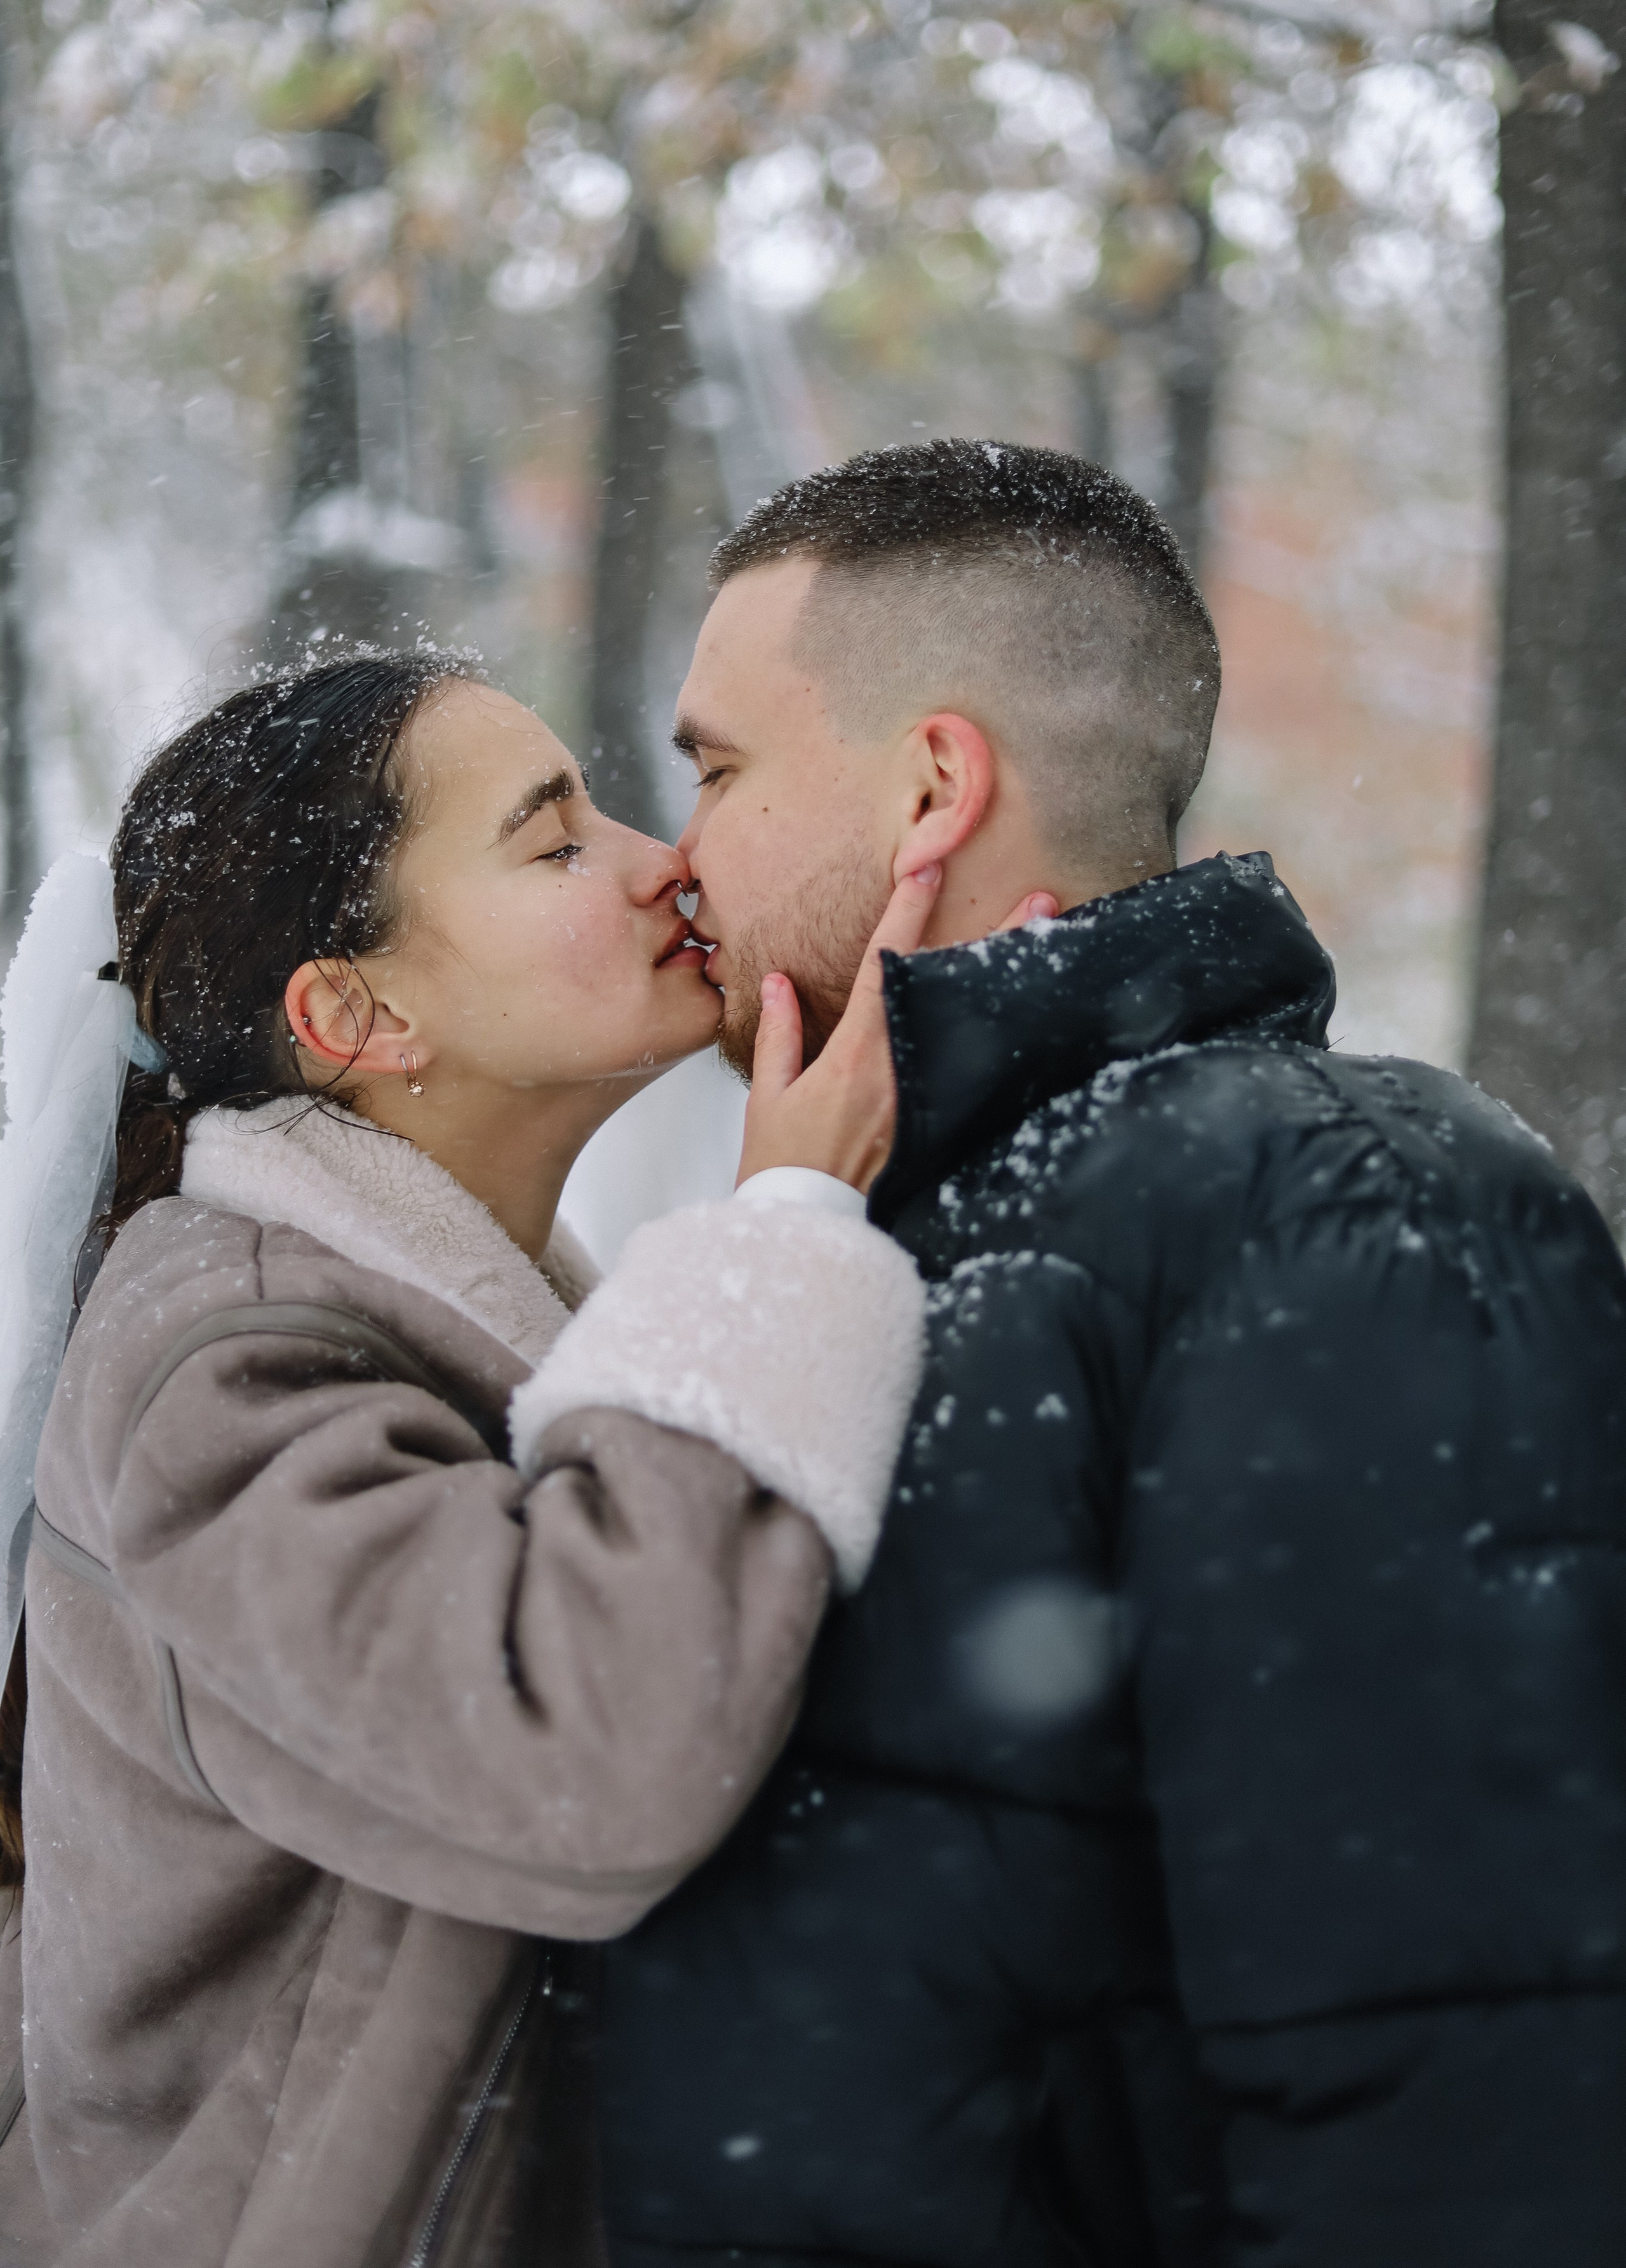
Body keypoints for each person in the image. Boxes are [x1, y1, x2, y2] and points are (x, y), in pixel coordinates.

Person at [591, 441, 1626, 2266]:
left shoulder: (1347, 1214)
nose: (676, 860)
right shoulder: (848, 1244)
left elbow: (1471, 2092)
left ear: (933, 784)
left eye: (721, 770)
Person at [0, 648, 993, 2268]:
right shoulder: (217, 1363)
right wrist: (788, 1229)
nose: (660, 858)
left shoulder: (429, 1313)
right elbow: (580, 1758)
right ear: (355, 1012)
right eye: (554, 842)